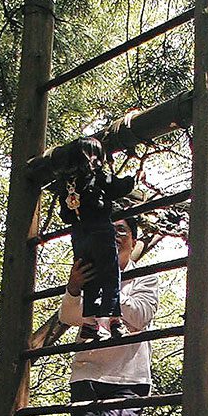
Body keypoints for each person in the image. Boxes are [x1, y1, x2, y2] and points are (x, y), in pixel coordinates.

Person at [45, 216, 159, 416]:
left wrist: (108, 283)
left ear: (134, 243)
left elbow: (139, 315)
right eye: (106, 231)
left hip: (128, 376)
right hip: (88, 370)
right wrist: (74, 287)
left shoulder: (144, 277)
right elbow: (68, 315)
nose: (113, 236)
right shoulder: (87, 272)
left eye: (121, 230)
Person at [54, 137, 136, 341]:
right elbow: (118, 187)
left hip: (79, 237)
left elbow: (64, 215)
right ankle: (114, 320)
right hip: (100, 231)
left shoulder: (65, 184)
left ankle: (90, 323)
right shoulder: (97, 176)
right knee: (110, 276)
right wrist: (133, 178)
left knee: (89, 276)